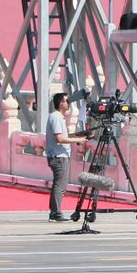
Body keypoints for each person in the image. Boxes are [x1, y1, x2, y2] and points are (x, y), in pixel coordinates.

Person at [45, 92, 87, 222]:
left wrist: (77, 137)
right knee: (60, 185)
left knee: (59, 184)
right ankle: (56, 213)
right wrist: (77, 140)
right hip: (59, 156)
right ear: (60, 103)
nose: (69, 103)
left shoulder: (57, 117)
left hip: (58, 155)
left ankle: (54, 212)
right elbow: (59, 139)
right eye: (66, 101)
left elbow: (62, 137)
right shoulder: (56, 117)